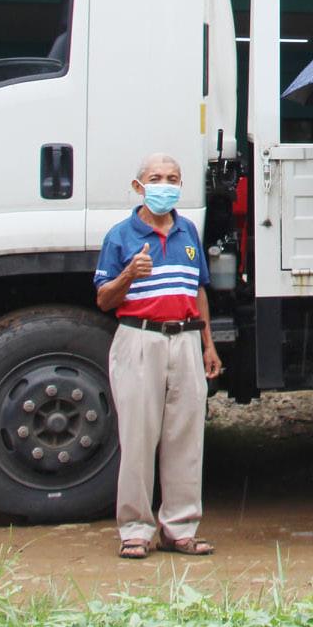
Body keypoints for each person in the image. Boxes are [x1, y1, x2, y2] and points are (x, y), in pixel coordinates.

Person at [94, 152, 223, 560]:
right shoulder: (120, 236)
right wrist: (128, 275)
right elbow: (103, 298)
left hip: (184, 340)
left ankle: (180, 528)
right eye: (156, 177)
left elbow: (198, 290)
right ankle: (134, 529)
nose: (164, 184)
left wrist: (208, 344)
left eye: (172, 178)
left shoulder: (187, 233)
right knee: (138, 437)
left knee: (186, 437)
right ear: (139, 186)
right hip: (139, 339)